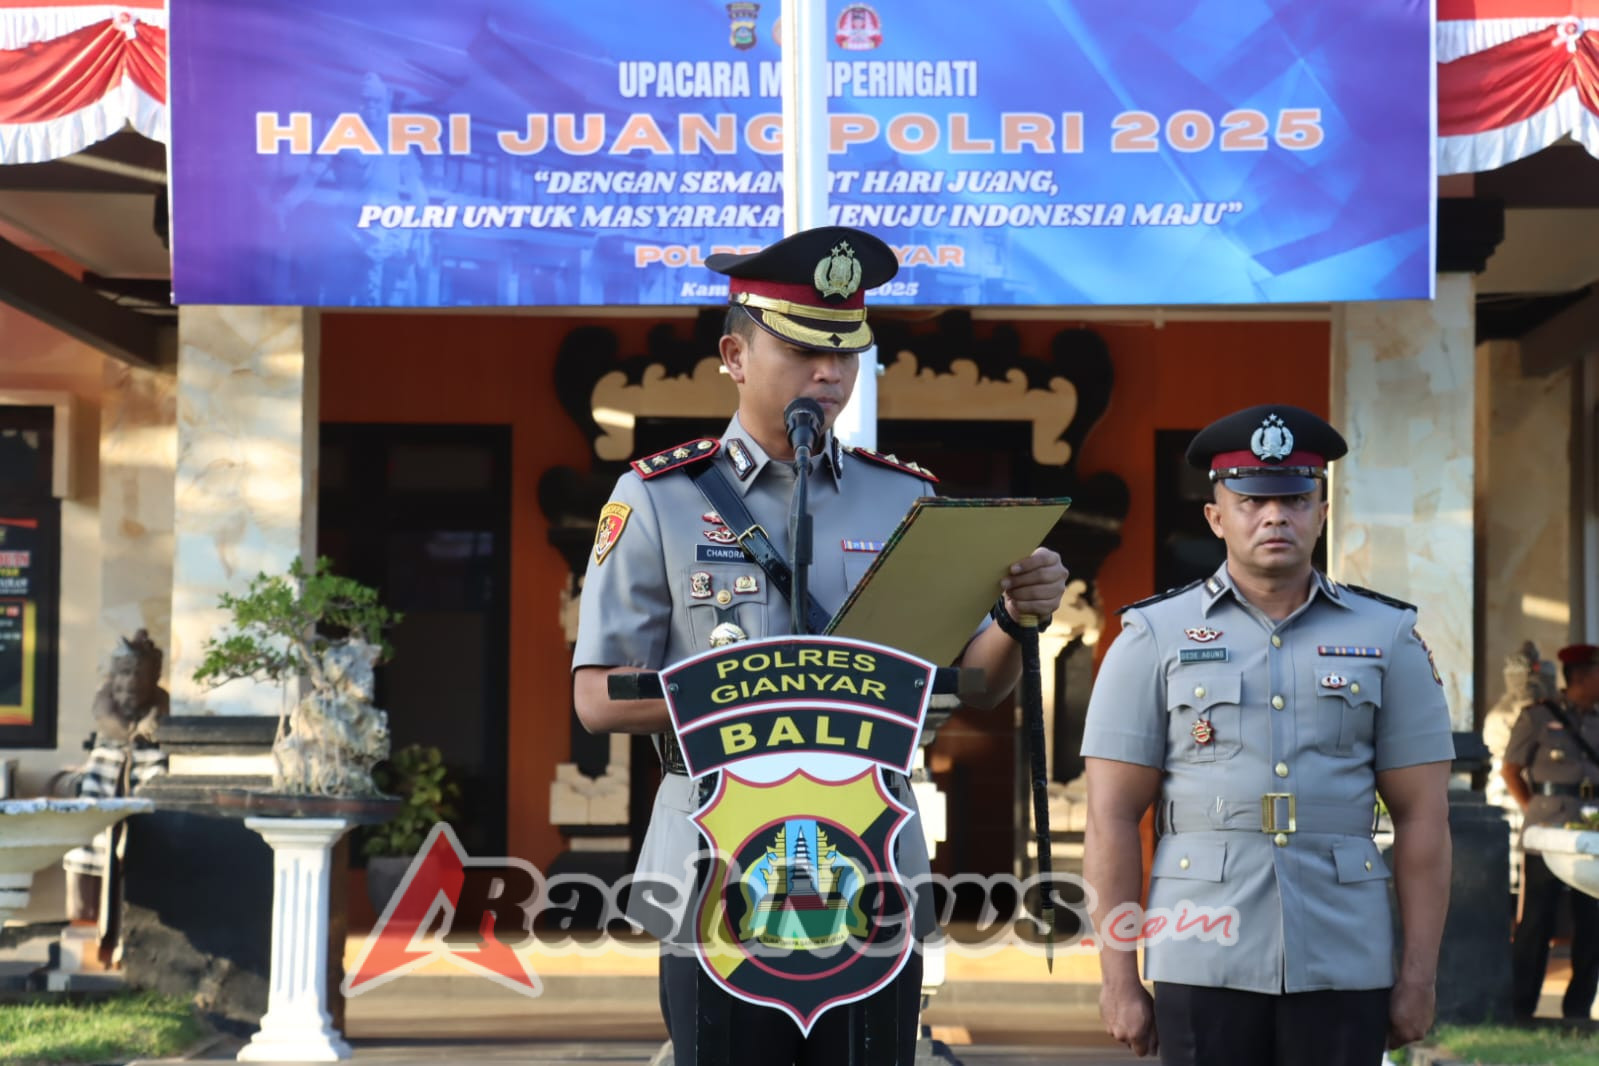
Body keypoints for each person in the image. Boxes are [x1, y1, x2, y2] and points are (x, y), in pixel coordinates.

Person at [570, 225, 1067, 1065]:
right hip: (716, 859)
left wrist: (1022, 616)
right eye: (801, 351)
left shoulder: (901, 496)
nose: (828, 375)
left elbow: (978, 683)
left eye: (845, 353)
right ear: (734, 354)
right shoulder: (657, 497)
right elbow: (595, 697)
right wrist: (773, 693)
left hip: (868, 854)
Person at [1079, 404, 1455, 1065]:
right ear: (1215, 515)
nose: (1274, 516)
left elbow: (1423, 816)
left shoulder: (1385, 637)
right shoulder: (1150, 637)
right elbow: (1110, 816)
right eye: (1252, 500)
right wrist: (1118, 978)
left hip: (1344, 951)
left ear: (1321, 510)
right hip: (1201, 949)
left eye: (1293, 499)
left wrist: (1418, 978)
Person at [1502, 642, 1599, 1020]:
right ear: (1581, 677)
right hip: (1546, 830)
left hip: (1590, 833)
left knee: (1591, 926)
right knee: (1536, 924)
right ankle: (1521, 1010)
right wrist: (1533, 809)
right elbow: (1511, 769)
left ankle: (1577, 1013)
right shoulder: (1538, 718)